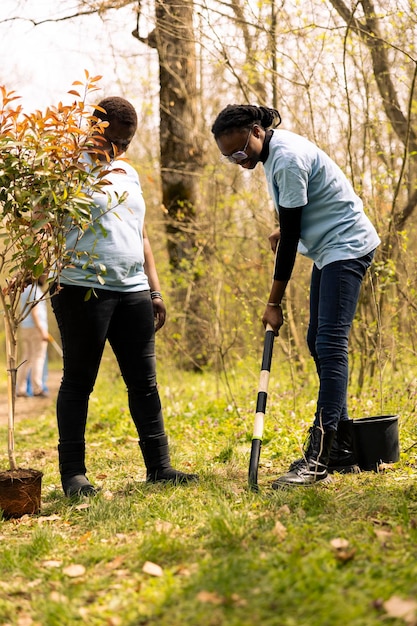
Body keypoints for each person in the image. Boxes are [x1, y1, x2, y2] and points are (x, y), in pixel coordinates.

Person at [211, 104, 380, 488]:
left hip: (347, 245)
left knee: (330, 343)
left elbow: (288, 243)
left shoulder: (284, 159)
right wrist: (284, 230)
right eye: (229, 157)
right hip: (329, 247)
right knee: (318, 342)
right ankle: (341, 450)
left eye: (240, 152)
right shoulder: (274, 152)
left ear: (256, 131)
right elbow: (296, 217)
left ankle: (320, 455)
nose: (238, 161)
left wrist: (273, 303)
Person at [51, 96, 198, 497]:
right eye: (113, 141)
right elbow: (41, 226)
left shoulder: (128, 174)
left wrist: (155, 289)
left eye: (127, 143)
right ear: (93, 129)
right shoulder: (65, 170)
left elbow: (142, 234)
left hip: (133, 289)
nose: (119, 150)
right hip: (82, 288)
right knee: (79, 382)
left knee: (144, 383)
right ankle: (73, 475)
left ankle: (159, 467)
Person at [16, 276, 49, 398]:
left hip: (25, 327)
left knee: (26, 358)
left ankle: (20, 389)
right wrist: (42, 330)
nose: (45, 277)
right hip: (36, 328)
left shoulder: (25, 289)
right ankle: (37, 389)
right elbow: (34, 311)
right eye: (44, 274)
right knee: (38, 358)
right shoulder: (34, 289)